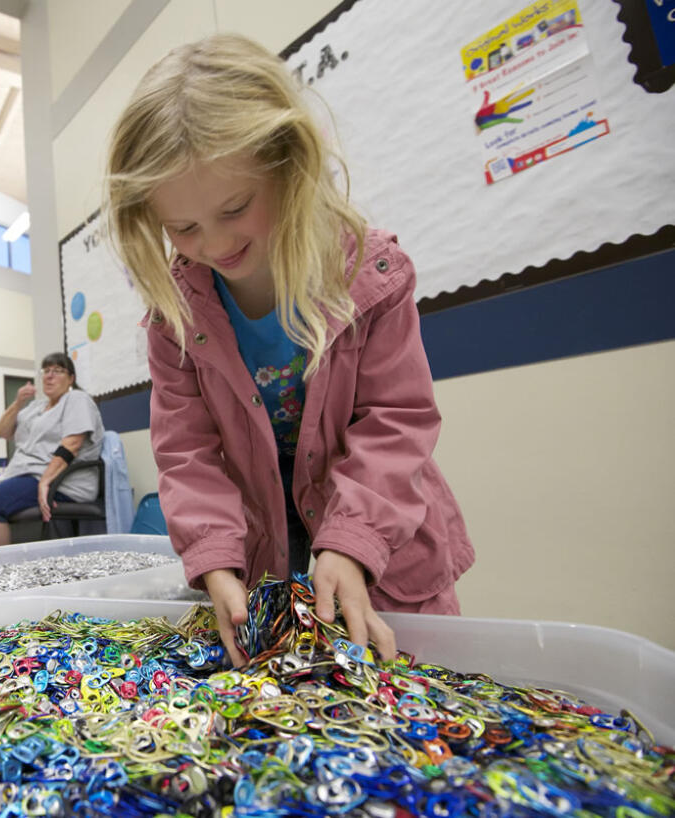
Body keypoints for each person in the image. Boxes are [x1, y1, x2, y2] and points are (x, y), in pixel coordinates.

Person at [104, 34, 474, 666]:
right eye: (183, 227)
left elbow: (396, 421)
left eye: (234, 208)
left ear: (285, 164)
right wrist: (213, 558)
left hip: (383, 549)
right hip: (264, 555)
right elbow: (187, 453)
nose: (213, 243)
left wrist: (353, 542)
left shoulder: (372, 276)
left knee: (407, 698)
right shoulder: (174, 319)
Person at [0, 353, 104, 546]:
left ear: (71, 378)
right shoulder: (37, 407)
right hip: (26, 474)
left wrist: (45, 481)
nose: (49, 376)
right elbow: (3, 431)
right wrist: (18, 403)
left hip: (62, 481)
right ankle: (8, 549)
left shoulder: (76, 399)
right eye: (46, 371)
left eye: (58, 371)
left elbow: (72, 444)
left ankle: (4, 565)